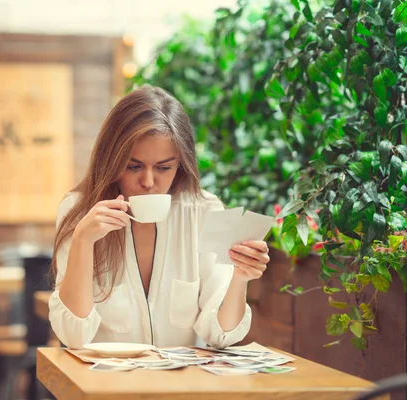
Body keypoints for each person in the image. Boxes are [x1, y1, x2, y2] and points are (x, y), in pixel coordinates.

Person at [49, 85, 270, 349]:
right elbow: (73, 336)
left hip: (179, 385)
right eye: (133, 166)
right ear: (111, 159)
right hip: (105, 387)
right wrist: (83, 241)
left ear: (181, 164)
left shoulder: (204, 211)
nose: (148, 181)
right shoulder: (80, 211)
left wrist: (240, 278)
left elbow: (221, 334)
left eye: (164, 167)